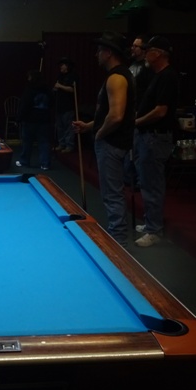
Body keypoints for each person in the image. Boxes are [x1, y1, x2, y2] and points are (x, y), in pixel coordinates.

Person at [72, 31, 135, 247]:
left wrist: (99, 134)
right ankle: (117, 238)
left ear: (108, 53)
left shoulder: (116, 78)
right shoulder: (122, 75)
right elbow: (108, 114)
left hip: (111, 144)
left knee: (112, 194)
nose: (96, 55)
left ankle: (117, 244)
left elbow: (116, 116)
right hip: (115, 142)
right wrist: (89, 126)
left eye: (99, 51)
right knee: (113, 193)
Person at [133, 35, 179, 248]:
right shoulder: (157, 75)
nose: (145, 53)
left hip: (155, 136)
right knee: (147, 182)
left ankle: (154, 230)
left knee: (152, 184)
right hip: (149, 136)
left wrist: (137, 121)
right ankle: (151, 223)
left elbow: (161, 111)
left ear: (158, 54)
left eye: (148, 50)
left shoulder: (167, 76)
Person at [124, 35, 153, 188]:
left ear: (144, 50)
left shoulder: (148, 69)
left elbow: (146, 94)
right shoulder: (131, 66)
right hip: (129, 112)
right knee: (129, 150)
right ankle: (129, 178)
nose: (132, 48)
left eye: (136, 46)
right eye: (133, 45)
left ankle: (140, 182)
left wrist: (138, 111)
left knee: (138, 152)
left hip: (140, 114)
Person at [15, 69, 53, 170]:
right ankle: (45, 164)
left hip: (30, 120)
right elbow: (52, 103)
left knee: (27, 142)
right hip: (44, 120)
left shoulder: (29, 89)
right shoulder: (48, 89)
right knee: (44, 142)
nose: (28, 78)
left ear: (32, 78)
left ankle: (24, 161)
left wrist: (18, 119)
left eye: (29, 77)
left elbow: (24, 105)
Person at [53, 57, 77, 153]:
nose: (60, 67)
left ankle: (69, 145)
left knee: (68, 127)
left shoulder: (72, 76)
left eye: (62, 65)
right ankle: (61, 144)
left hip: (68, 106)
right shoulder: (60, 76)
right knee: (60, 126)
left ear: (67, 66)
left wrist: (60, 86)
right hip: (59, 105)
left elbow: (72, 89)